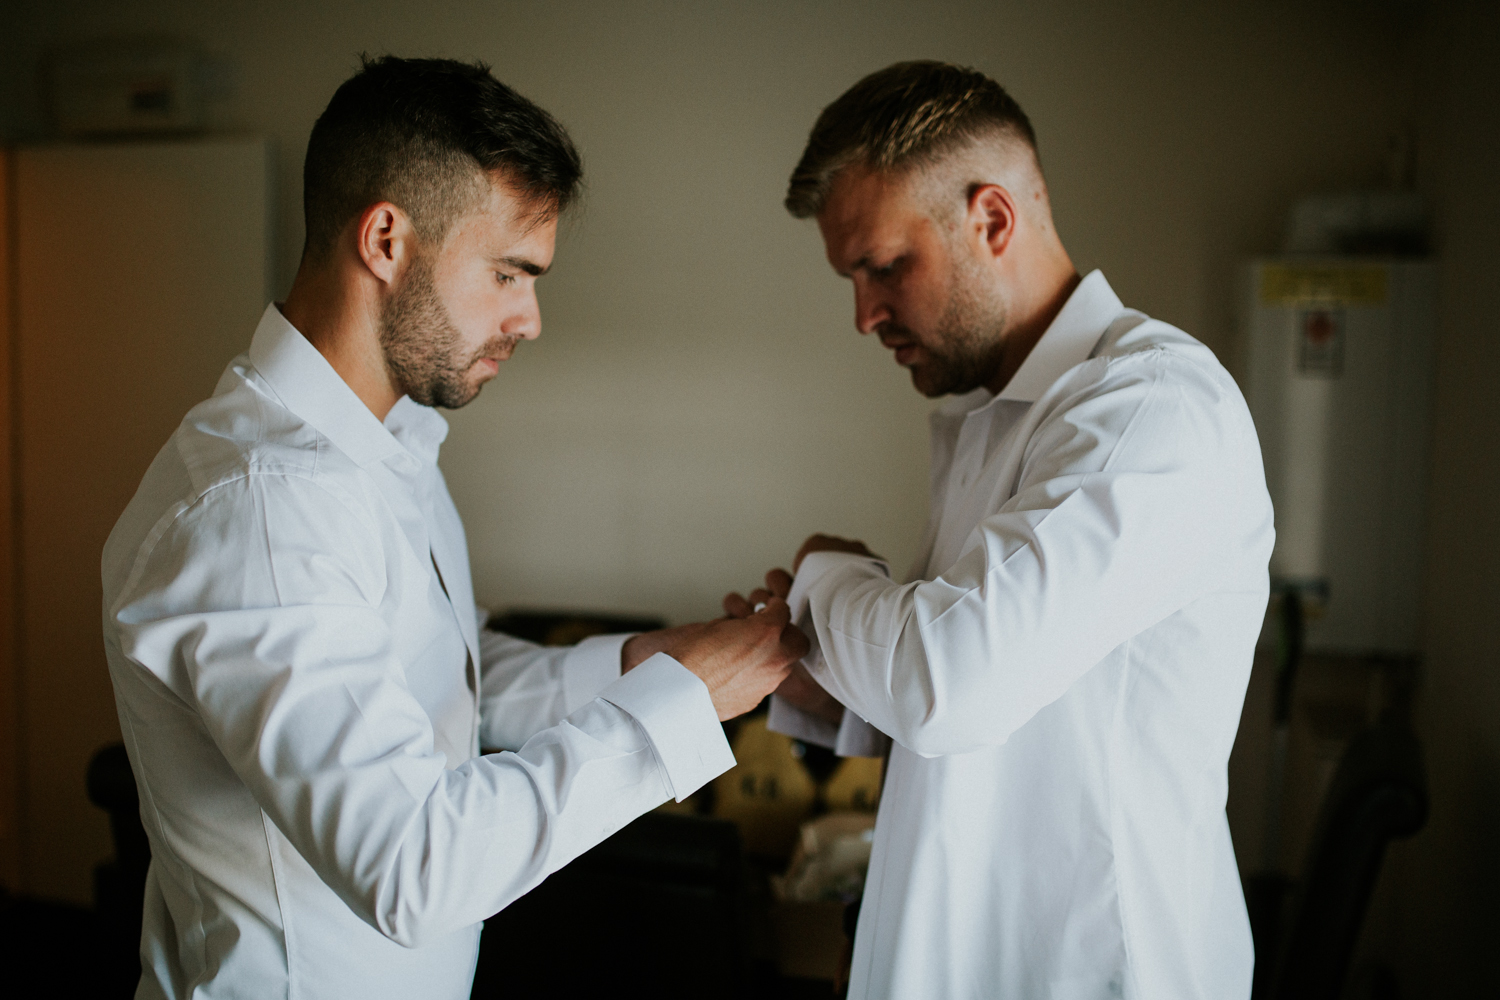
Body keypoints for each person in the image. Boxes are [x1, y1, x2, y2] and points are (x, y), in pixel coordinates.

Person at [101, 56, 805, 1000]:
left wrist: (647, 661)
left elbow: (434, 679)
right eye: (509, 272)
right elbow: (412, 866)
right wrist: (675, 709)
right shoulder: (265, 511)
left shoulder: (384, 447)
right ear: (387, 240)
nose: (531, 318)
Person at [731, 61, 1275, 998]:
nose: (864, 315)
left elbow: (953, 681)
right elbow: (1023, 713)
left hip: (1092, 966)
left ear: (991, 220)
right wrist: (843, 697)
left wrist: (828, 576)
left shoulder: (1146, 410)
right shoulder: (1007, 415)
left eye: (884, 267)